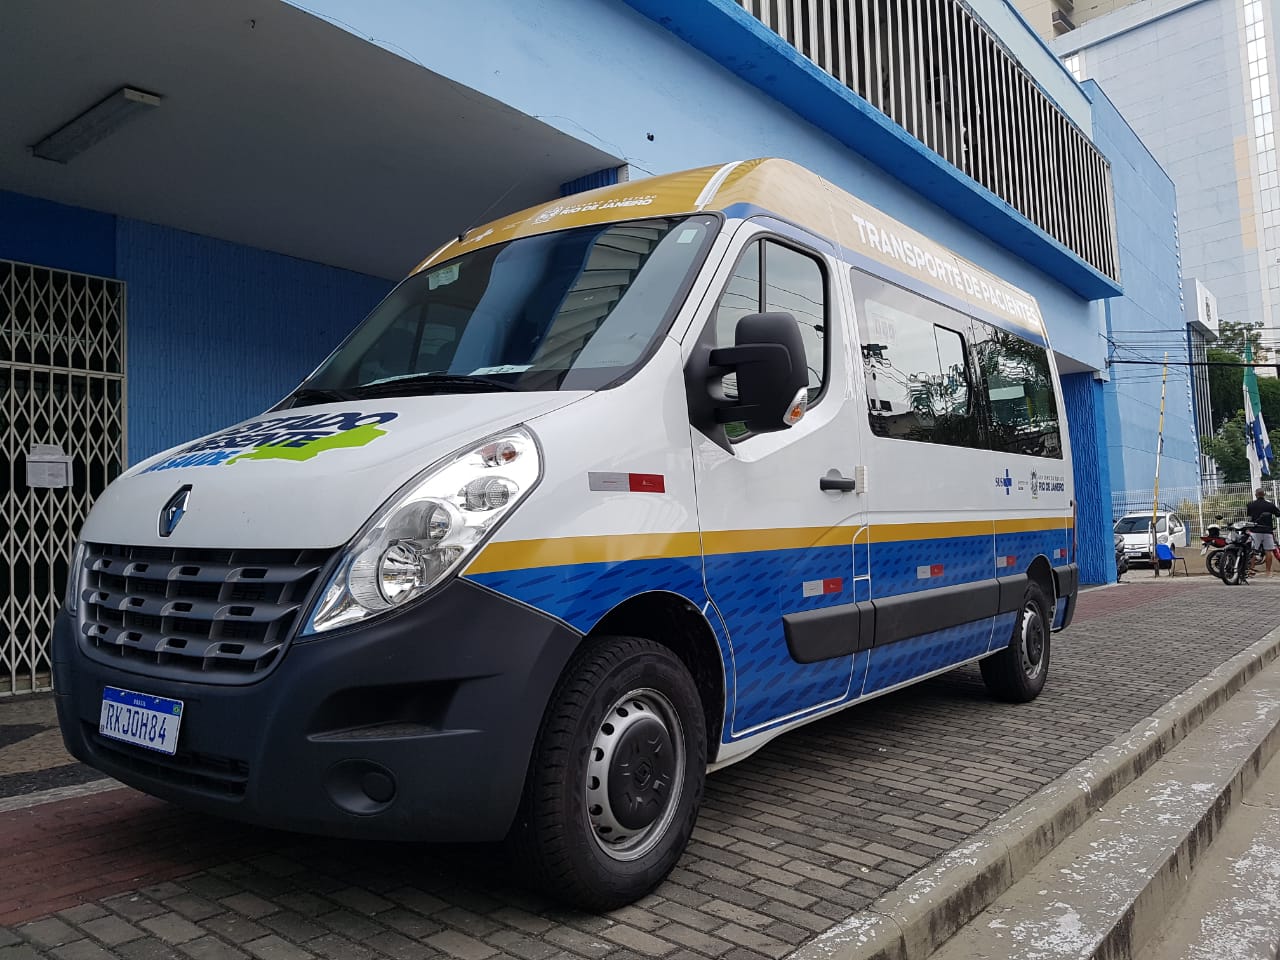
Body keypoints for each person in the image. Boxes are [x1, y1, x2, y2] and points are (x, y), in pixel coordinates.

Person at [1246, 488, 1280, 577]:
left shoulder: (1250, 505)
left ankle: (1251, 570)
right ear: (1264, 494)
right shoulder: (1270, 505)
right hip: (1267, 531)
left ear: (1256, 494)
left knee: (1253, 551)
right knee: (1268, 551)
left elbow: (1249, 516)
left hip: (1255, 531)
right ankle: (1268, 572)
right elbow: (1278, 514)